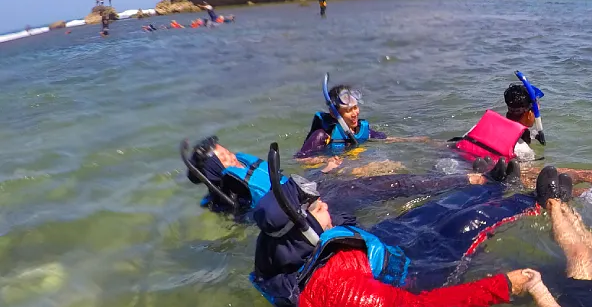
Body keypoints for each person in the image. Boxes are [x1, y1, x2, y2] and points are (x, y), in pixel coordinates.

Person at [250, 146, 539, 307]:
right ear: (302, 232)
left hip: (379, 244)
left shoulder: (282, 248)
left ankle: (494, 186)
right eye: (316, 207)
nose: (324, 204)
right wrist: (502, 286)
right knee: (470, 223)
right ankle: (534, 199)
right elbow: (420, 306)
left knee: (436, 208)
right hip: (412, 272)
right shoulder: (336, 292)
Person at [185, 135, 521, 215]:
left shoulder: (240, 174)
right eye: (225, 157)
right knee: (397, 185)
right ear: (217, 170)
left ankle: (465, 176)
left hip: (314, 185)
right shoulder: (231, 190)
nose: (232, 156)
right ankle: (480, 181)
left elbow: (281, 179)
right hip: (313, 200)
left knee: (392, 180)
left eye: (228, 150)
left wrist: (324, 168)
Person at [297, 80, 387, 158]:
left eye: (355, 108)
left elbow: (387, 139)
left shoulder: (360, 130)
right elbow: (300, 159)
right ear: (333, 113)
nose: (354, 114)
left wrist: (401, 141)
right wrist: (326, 160)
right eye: (348, 111)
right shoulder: (322, 135)